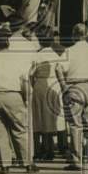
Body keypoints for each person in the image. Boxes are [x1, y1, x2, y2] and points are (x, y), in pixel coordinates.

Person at [0, 27, 36, 174]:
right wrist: (26, 97)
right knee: (20, 129)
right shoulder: (16, 58)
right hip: (14, 94)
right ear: (8, 42)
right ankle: (27, 162)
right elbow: (24, 79)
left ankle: (4, 164)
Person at [55, 23, 88, 171]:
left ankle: (76, 160)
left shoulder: (69, 51)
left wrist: (64, 86)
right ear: (86, 35)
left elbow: (58, 68)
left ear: (74, 35)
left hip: (74, 86)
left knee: (75, 125)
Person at [30, 31, 64, 161]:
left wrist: (35, 85)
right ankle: (49, 148)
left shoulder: (36, 55)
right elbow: (61, 71)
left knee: (39, 117)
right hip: (53, 85)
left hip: (40, 85)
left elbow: (31, 74)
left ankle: (41, 148)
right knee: (50, 117)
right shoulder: (56, 55)